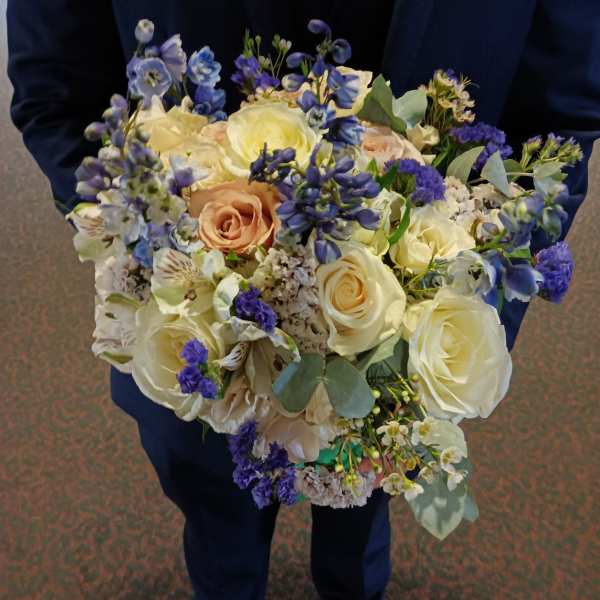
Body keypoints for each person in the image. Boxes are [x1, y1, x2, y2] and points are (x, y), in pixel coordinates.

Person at [7, 1, 600, 598]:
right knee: (218, 524)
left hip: (409, 331)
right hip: (194, 329)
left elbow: (562, 108)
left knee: (361, 521)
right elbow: (55, 88)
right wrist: (140, 238)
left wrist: (473, 291)